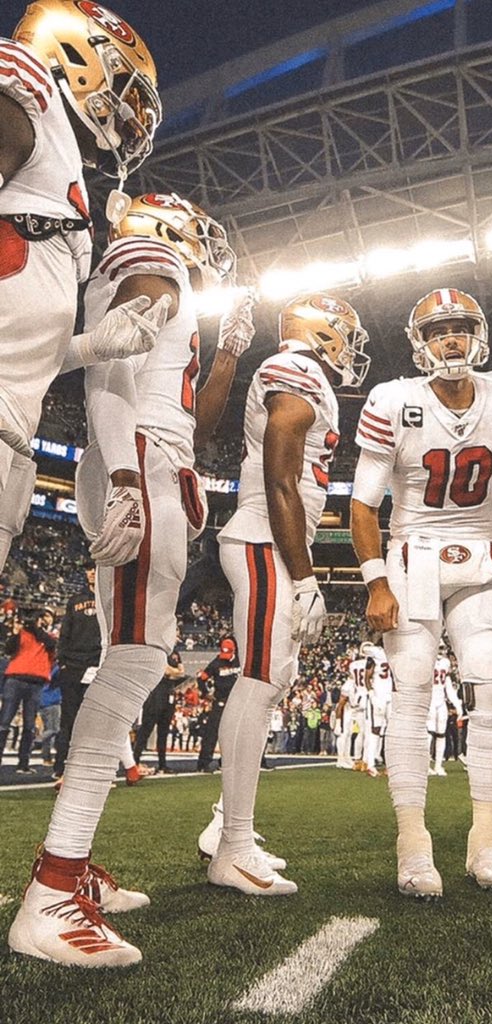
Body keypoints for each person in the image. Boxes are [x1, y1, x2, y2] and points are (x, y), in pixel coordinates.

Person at [8, 191, 255, 968]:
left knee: (138, 656)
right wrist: (122, 473)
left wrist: (224, 361)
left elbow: (197, 423)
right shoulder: (153, 260)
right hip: (140, 459)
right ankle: (51, 890)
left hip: (157, 455)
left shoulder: (163, 276)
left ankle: (70, 870)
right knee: (140, 658)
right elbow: (109, 374)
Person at [351, 287, 492, 898]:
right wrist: (376, 581)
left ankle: (487, 840)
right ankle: (413, 842)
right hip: (413, 552)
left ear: (478, 335)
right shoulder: (393, 399)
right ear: (420, 343)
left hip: (479, 552)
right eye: (439, 331)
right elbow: (362, 504)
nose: (452, 339)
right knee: (410, 695)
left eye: (460, 327)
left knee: (491, 688)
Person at [197, 292, 369, 897]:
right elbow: (280, 477)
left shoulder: (308, 376)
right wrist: (303, 575)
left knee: (268, 679)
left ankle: (225, 827)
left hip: (268, 541)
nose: (350, 348)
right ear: (319, 333)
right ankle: (235, 847)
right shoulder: (297, 372)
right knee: (261, 679)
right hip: (263, 541)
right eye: (344, 334)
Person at [0, 1, 169, 575]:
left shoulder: (59, 167)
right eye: (126, 89)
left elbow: (23, 348)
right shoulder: (30, 91)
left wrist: (93, 347)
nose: (133, 116)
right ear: (78, 61)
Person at [52, 565, 100, 777]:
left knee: (93, 721)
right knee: (68, 720)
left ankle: (86, 769)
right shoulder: (75, 600)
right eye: (89, 569)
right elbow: (65, 633)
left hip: (96, 666)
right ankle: (60, 767)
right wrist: (62, 661)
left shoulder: (110, 600)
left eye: (96, 569)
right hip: (73, 666)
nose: (92, 572)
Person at [0, 609, 55, 772]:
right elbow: (9, 650)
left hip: (33, 682)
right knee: (4, 722)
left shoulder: (46, 638)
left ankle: (23, 763)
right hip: (16, 679)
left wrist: (35, 627)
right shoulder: (21, 635)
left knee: (29, 725)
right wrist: (16, 633)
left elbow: (52, 645)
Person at [133, 651, 185, 774]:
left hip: (169, 694)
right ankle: (134, 762)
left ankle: (163, 764)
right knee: (145, 731)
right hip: (155, 695)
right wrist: (173, 672)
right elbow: (166, 671)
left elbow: (181, 672)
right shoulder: (160, 652)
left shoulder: (175, 652)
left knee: (163, 732)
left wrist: (173, 673)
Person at [196, 638, 241, 772]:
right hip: (221, 701)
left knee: (234, 734)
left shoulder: (240, 662)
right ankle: (204, 763)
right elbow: (201, 679)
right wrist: (206, 694)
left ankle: (226, 762)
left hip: (236, 702)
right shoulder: (216, 663)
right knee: (212, 732)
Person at [428, 642, 463, 776]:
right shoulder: (427, 661)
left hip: (440, 700)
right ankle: (426, 765)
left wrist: (456, 704)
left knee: (441, 733)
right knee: (429, 733)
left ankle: (438, 765)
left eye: (442, 648)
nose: (441, 651)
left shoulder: (445, 663)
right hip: (430, 700)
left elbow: (447, 685)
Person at [362, 642, 392, 777]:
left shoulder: (394, 653)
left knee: (391, 731)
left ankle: (390, 765)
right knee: (375, 729)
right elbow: (366, 677)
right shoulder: (376, 653)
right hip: (379, 695)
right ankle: (370, 764)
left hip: (390, 696)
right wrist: (371, 693)